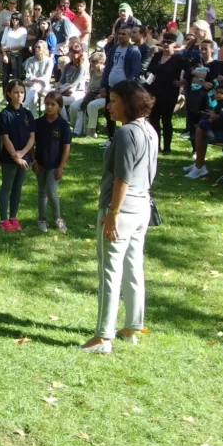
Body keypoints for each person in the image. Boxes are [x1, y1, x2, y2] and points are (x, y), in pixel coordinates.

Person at [79, 81, 158, 355]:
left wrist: (112, 214)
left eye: (113, 100)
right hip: (141, 208)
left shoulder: (126, 133)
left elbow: (122, 178)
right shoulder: (149, 129)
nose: (109, 106)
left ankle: (103, 336)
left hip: (122, 210)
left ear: (128, 102)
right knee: (133, 267)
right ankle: (132, 326)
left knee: (109, 272)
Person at [0, 80, 34, 232]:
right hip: (9, 158)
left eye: (22, 92)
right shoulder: (5, 114)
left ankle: (13, 217)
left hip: (24, 157)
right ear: (9, 94)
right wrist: (15, 156)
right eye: (16, 92)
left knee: (17, 187)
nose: (19, 95)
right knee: (7, 186)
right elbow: (5, 138)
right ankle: (3, 219)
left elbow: (32, 137)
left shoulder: (28, 114)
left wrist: (22, 154)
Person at [33, 92, 72, 233]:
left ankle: (58, 218)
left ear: (59, 107)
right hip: (40, 163)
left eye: (52, 104)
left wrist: (61, 166)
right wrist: (33, 161)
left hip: (54, 164)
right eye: (47, 104)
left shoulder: (63, 125)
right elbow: (31, 143)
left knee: (51, 191)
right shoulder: (38, 123)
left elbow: (66, 147)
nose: (49, 107)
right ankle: (41, 219)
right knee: (41, 192)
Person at [146, 37, 189, 154]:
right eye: (164, 42)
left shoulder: (178, 59)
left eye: (169, 42)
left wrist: (183, 81)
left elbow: (190, 70)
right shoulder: (157, 56)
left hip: (169, 93)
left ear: (174, 44)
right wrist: (150, 74)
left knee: (166, 120)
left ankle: (167, 148)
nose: (166, 44)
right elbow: (149, 70)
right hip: (154, 92)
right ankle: (156, 146)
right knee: (153, 119)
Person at [73, 51, 107, 137]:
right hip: (91, 93)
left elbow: (105, 88)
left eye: (93, 62)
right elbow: (90, 85)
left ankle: (89, 131)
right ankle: (77, 128)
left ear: (100, 62)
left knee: (87, 105)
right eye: (91, 61)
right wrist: (88, 92)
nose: (91, 64)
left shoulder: (105, 72)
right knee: (74, 106)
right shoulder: (92, 71)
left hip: (100, 95)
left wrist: (100, 95)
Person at [23, 41, 54, 113]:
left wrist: (35, 80)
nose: (36, 49)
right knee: (33, 91)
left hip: (44, 85)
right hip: (31, 85)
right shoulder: (30, 60)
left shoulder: (49, 61)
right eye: (35, 47)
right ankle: (33, 117)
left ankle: (23, 105)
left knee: (34, 87)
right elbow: (28, 75)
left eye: (39, 47)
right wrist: (35, 81)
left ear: (44, 49)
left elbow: (46, 77)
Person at [1, 12, 28, 89]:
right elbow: (3, 43)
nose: (14, 20)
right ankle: (5, 95)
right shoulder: (7, 28)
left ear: (20, 19)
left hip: (16, 56)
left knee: (16, 77)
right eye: (13, 18)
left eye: (16, 18)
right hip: (7, 55)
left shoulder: (23, 30)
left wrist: (9, 48)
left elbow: (21, 45)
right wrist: (5, 55)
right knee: (5, 77)